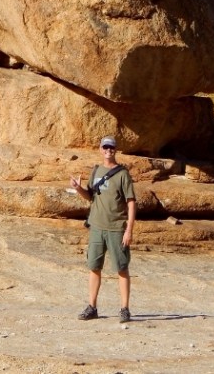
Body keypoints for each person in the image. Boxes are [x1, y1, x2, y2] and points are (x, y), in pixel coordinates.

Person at [70, 136, 136, 323]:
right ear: (100, 149)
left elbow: (131, 202)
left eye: (111, 147)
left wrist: (129, 230)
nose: (108, 150)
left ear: (115, 150)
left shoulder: (122, 174)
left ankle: (124, 309)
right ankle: (92, 307)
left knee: (121, 268)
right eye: (105, 147)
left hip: (116, 228)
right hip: (97, 227)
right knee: (94, 267)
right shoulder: (96, 171)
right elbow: (90, 196)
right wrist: (78, 188)